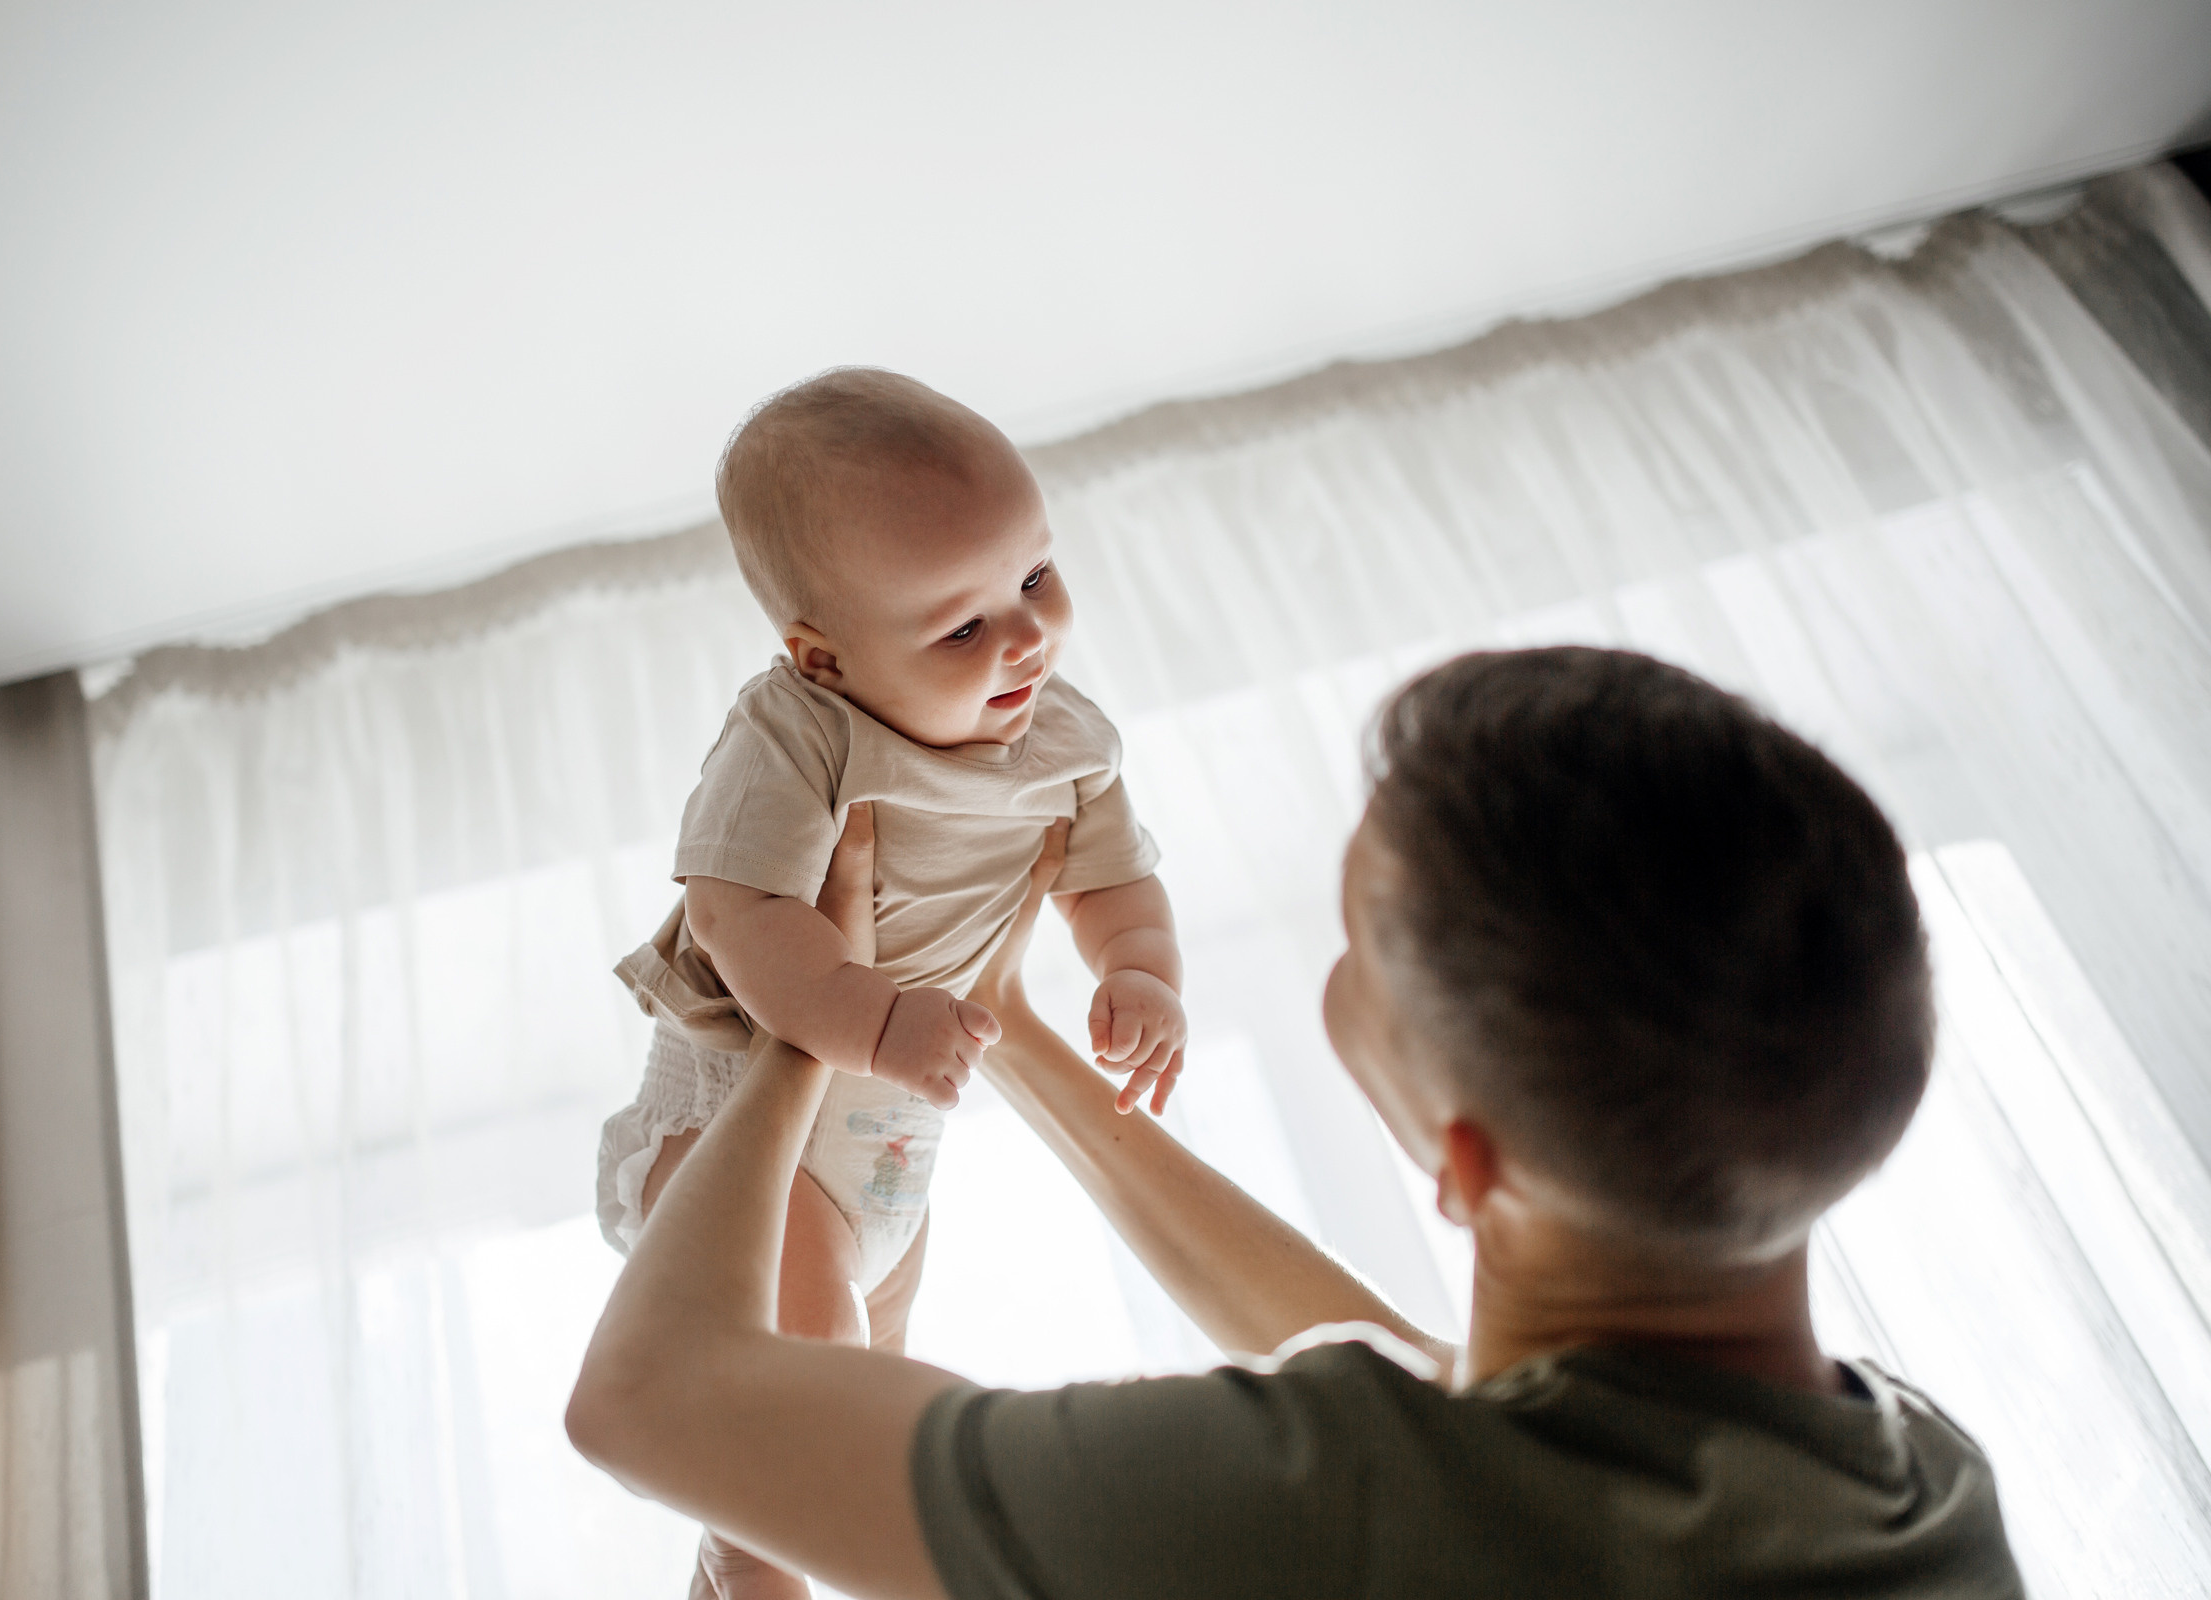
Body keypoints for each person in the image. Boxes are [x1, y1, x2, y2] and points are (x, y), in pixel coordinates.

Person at [568, 646, 2025, 1599]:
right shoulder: (1911, 1483)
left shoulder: (1321, 1516)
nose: (1330, 972)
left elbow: (650, 1404)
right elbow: (1406, 1391)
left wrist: (796, 1036)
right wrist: (993, 1014)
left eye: (1354, 947)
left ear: (1465, 1159)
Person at [595, 368, 1188, 1596]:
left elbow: (1115, 882)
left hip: (896, 1155)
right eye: (961, 626)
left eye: (1033, 578)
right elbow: (741, 913)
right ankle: (741, 1557)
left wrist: (1141, 971)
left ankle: (739, 1561)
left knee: (866, 1400)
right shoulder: (800, 733)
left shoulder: (1066, 738)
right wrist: (867, 1014)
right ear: (822, 655)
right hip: (733, 1115)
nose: (1024, 636)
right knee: (808, 1411)